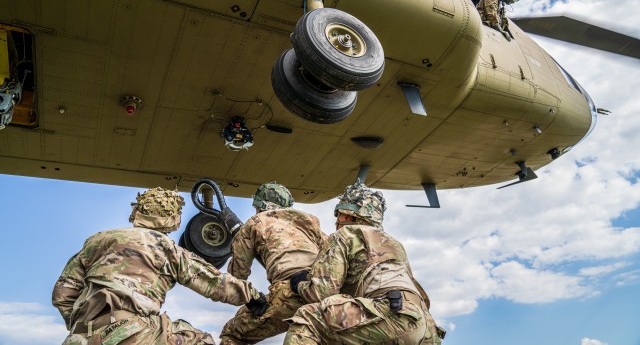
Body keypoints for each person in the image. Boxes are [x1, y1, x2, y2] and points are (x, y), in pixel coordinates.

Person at [52, 187, 268, 345]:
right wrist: (252, 296)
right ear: (172, 219)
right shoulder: (164, 247)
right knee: (200, 340)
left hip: (79, 338)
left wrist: (87, 326)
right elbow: (211, 281)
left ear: (137, 212)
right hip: (131, 334)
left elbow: (62, 294)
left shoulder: (96, 241)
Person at [284, 179, 444, 345]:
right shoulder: (395, 244)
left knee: (308, 318)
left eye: (338, 215)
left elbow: (321, 293)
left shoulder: (346, 234)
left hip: (392, 315)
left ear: (346, 214)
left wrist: (301, 284)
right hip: (424, 326)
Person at [219, 181, 326, 345]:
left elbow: (238, 276)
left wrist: (250, 298)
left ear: (259, 206)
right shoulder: (310, 222)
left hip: (291, 294)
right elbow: (333, 252)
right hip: (324, 291)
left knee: (233, 333)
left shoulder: (255, 223)